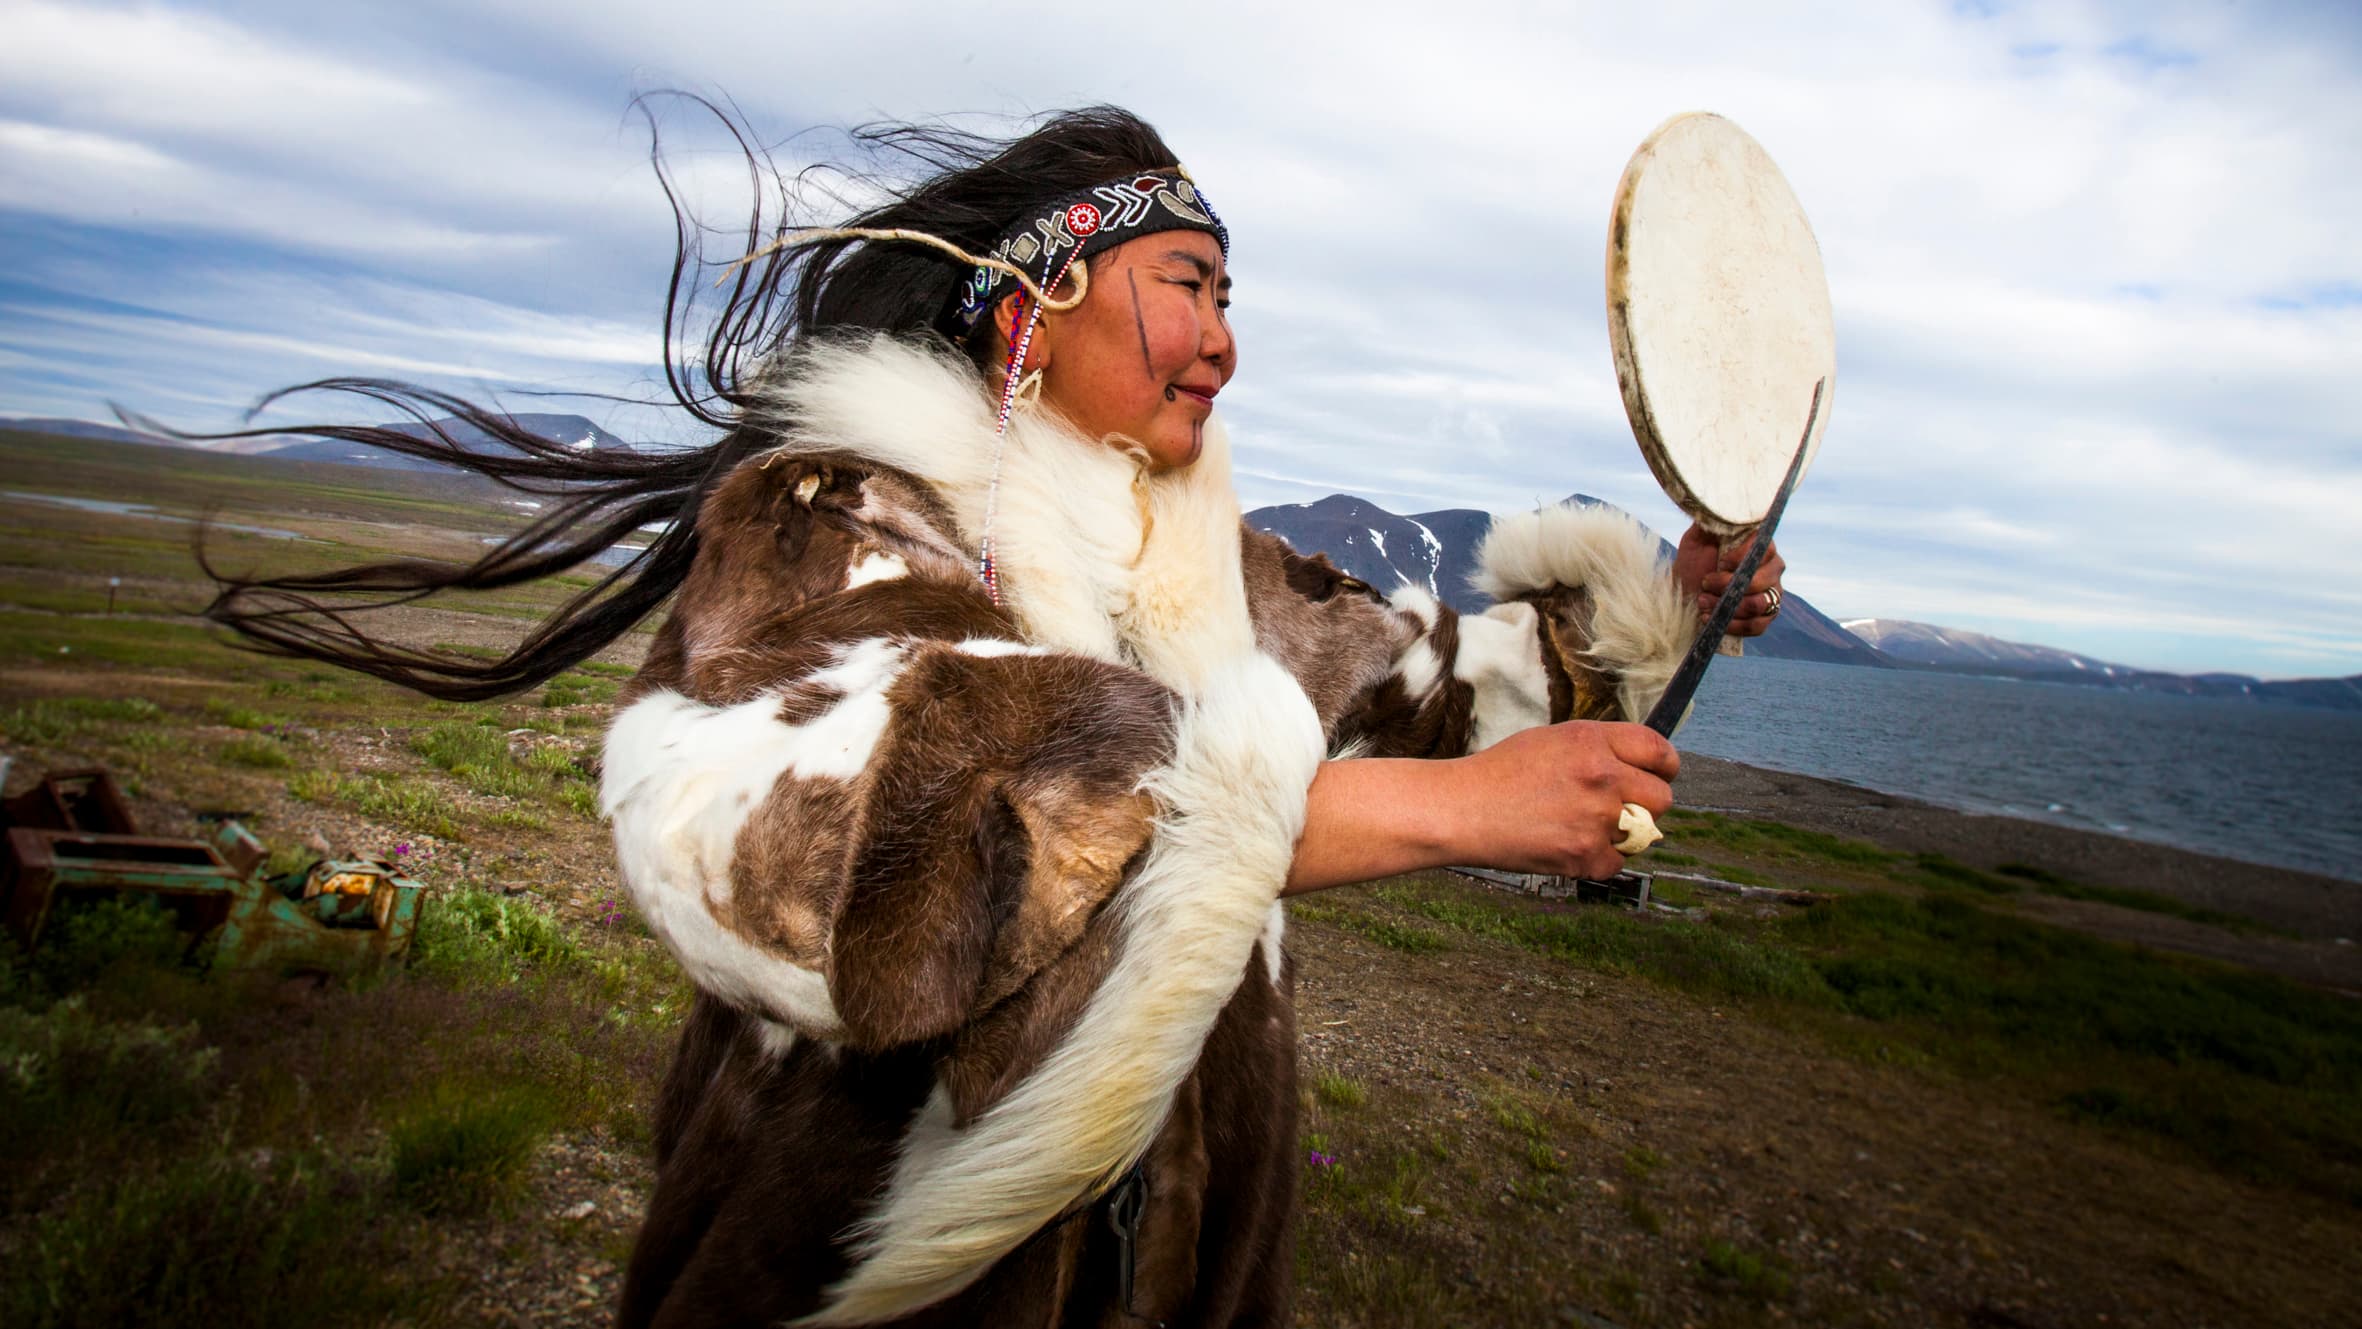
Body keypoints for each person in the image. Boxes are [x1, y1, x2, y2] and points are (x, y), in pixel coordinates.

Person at [198, 105, 1784, 1327]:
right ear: (1040, 282)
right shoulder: (831, 512)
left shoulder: (1205, 573)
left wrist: (1664, 593)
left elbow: (1430, 670)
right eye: (1190, 283)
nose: (1228, 336)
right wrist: (1429, 815)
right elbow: (856, 828)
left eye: (1235, 295)